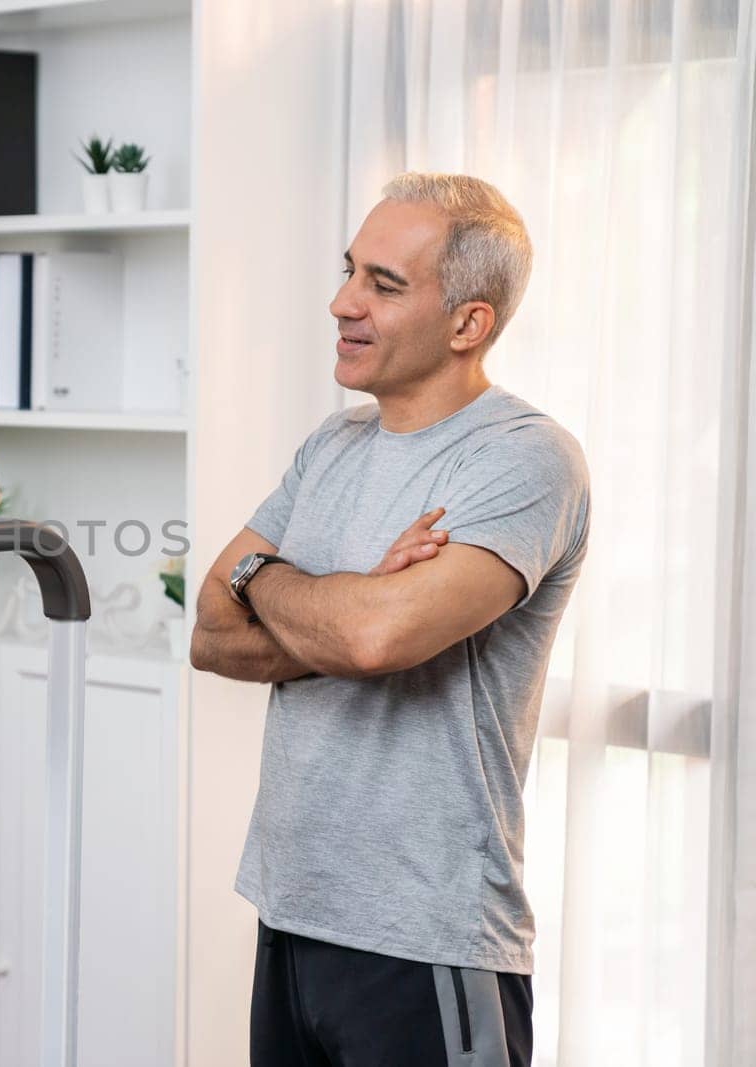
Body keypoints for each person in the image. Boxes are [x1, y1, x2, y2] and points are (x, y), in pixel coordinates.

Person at [190, 174, 589, 1066]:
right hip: (291, 911)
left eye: (383, 283)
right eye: (349, 272)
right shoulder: (333, 445)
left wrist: (265, 573)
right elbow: (208, 633)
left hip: (426, 936)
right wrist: (346, 601)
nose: (342, 302)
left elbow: (375, 637)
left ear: (467, 324)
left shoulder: (524, 459)